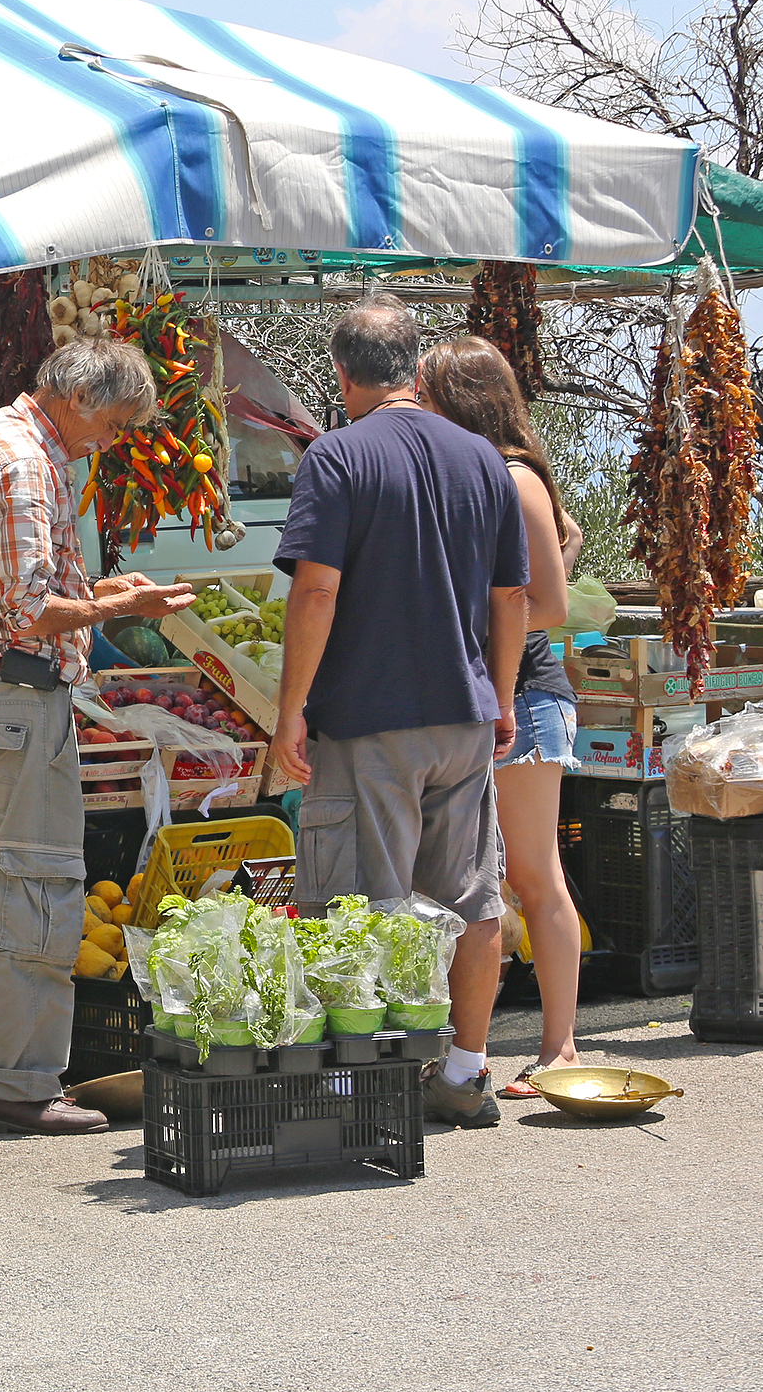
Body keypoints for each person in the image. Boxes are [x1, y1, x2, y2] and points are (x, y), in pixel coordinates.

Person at [270, 302, 526, 1130]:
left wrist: (290, 711)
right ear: (415, 366)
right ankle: (464, 1070)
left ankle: (352, 1086)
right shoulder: (483, 459)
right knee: (471, 898)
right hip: (463, 717)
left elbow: (316, 591)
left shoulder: (336, 457)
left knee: (352, 901)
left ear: (343, 374)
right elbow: (511, 595)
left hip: (368, 723)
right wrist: (505, 696)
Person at [0, 338, 195, 1135]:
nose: (110, 443)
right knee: (39, 888)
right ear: (80, 398)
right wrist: (122, 611)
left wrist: (109, 590)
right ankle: (18, 1084)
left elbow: (27, 591)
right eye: (114, 425)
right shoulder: (24, 464)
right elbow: (32, 611)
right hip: (22, 698)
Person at [417, 337, 586, 1093]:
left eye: (426, 394)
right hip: (498, 692)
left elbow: (547, 601)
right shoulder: (501, 470)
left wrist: (491, 646)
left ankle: (561, 1047)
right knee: (497, 872)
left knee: (531, 873)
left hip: (525, 696)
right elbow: (570, 536)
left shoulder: (513, 477)